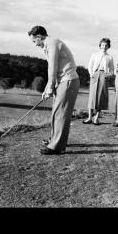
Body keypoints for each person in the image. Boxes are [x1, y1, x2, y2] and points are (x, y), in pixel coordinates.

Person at [28, 25, 80, 155]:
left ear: (39, 37)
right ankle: (54, 140)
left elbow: (52, 67)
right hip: (63, 81)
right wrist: (48, 88)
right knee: (56, 113)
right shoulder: (49, 44)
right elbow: (53, 69)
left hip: (68, 81)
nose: (35, 44)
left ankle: (56, 146)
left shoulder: (52, 43)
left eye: (35, 41)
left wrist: (50, 87)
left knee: (61, 114)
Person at [83, 38, 114, 125]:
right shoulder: (94, 55)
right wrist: (91, 74)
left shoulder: (110, 57)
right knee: (92, 96)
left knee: (101, 96)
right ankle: (89, 117)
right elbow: (90, 65)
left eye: (106, 45)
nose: (104, 47)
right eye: (103, 45)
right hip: (94, 75)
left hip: (104, 76)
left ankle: (96, 118)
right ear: (100, 45)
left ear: (108, 46)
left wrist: (108, 75)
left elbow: (112, 70)